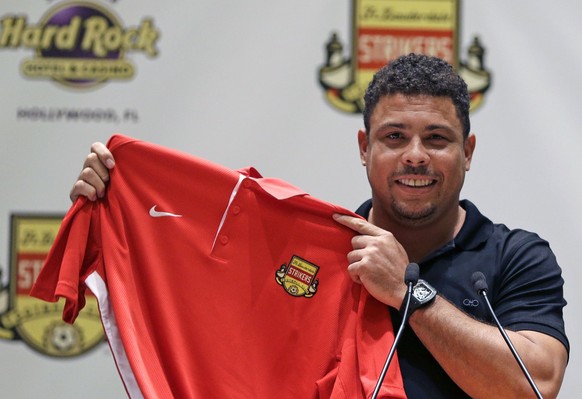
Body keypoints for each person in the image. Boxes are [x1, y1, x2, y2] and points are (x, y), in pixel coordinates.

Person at [70, 54, 568, 398]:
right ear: (363, 149)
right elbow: (192, 293)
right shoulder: (306, 256)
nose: (415, 156)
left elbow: (536, 385)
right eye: (395, 137)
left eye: (436, 138)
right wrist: (117, 202)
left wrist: (409, 293)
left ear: (468, 152)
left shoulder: (517, 257)